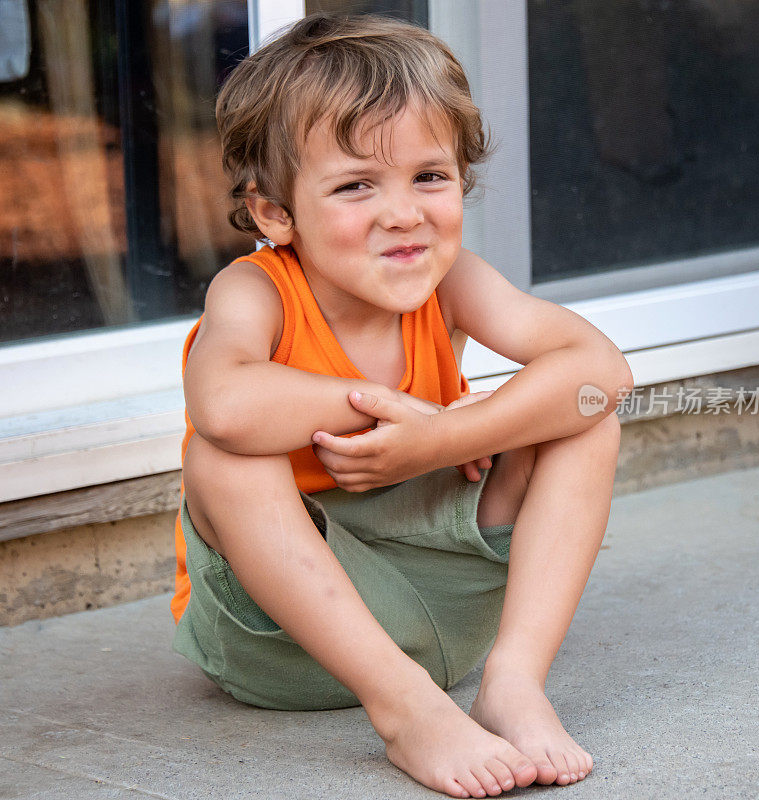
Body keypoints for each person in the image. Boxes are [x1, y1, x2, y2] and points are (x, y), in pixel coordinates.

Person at [170, 12, 633, 799]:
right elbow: (222, 403)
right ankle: (408, 711)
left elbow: (600, 373)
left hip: (447, 604)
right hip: (289, 640)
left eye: (430, 176)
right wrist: (405, 412)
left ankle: (514, 684)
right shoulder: (256, 290)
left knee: (584, 417)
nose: (404, 213)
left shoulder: (456, 281)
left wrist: (451, 433)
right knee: (218, 458)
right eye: (356, 185)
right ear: (275, 212)